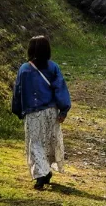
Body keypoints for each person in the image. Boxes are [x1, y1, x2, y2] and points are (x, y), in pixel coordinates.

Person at [11, 35, 72, 190]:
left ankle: (41, 175)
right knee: (49, 142)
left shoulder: (24, 70)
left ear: (30, 50)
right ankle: (45, 170)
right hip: (51, 111)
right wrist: (64, 109)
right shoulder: (53, 68)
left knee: (35, 144)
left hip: (33, 113)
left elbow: (18, 92)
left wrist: (18, 110)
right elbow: (60, 88)